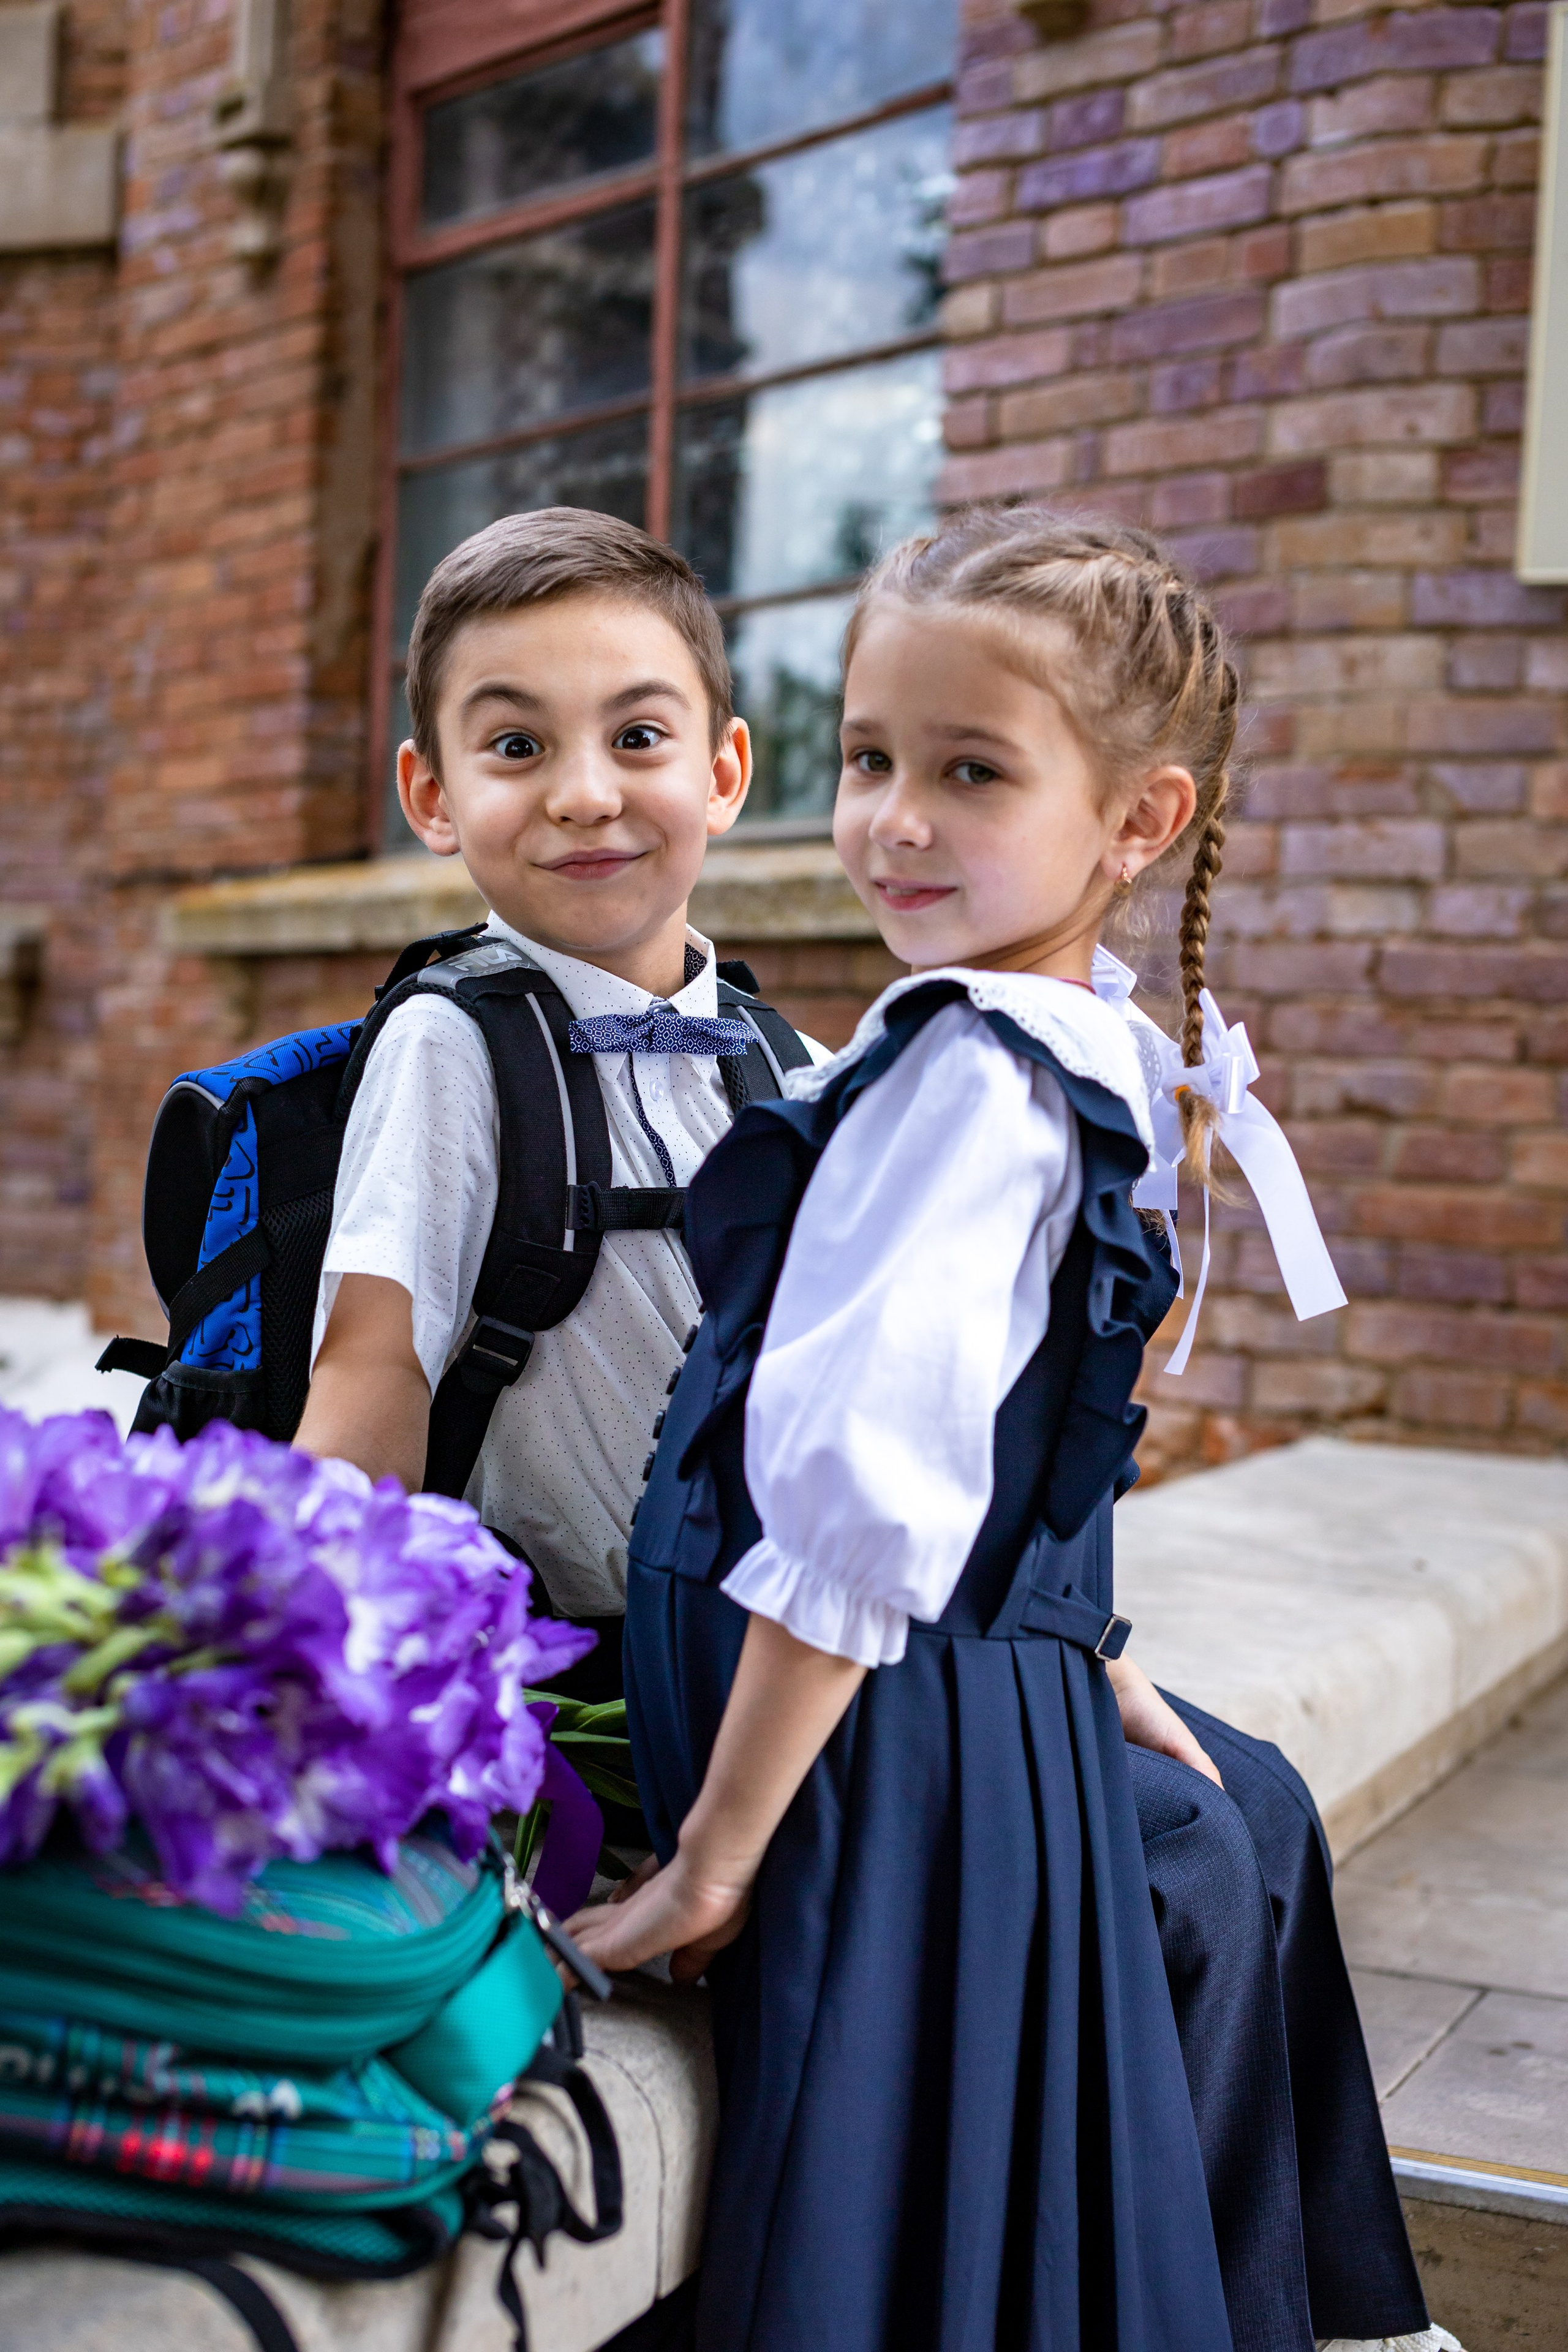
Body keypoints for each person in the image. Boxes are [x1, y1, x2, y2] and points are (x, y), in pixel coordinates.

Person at [570, 511, 1459, 2352]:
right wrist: (1085, 1649)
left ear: (1138, 821)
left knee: (882, 2128)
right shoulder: (1039, 1040)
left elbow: (866, 1507)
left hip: (834, 1730)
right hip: (912, 1691)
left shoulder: (971, 1075)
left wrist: (718, 1857)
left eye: (968, 772)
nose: (894, 817)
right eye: (870, 756)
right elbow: (1019, 1436)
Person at [293, 508, 828, 1686]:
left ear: (725, 771)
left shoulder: (794, 1068)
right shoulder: (451, 1045)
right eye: (518, 748)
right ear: (431, 796)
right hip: (576, 1694)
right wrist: (316, 1680)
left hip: (784, 1676)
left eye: (639, 735)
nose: (586, 795)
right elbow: (373, 1373)